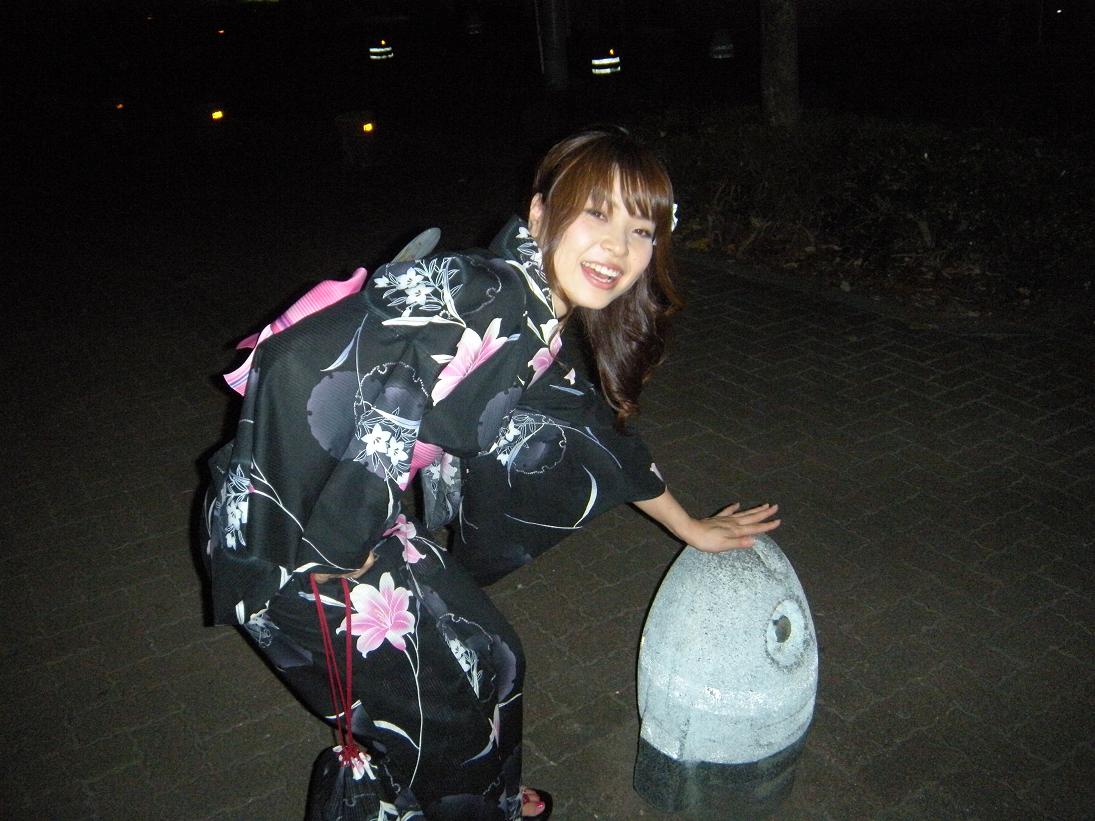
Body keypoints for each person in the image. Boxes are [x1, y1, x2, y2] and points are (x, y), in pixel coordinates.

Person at [203, 127, 780, 820]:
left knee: (495, 655)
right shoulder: (487, 293)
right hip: (294, 542)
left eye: (641, 230)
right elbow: (294, 361)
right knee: (441, 722)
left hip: (357, 524)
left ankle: (489, 797)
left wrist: (687, 525)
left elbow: (588, 429)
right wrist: (333, 535)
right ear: (539, 214)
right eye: (596, 214)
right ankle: (468, 800)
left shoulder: (534, 312)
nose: (617, 248)